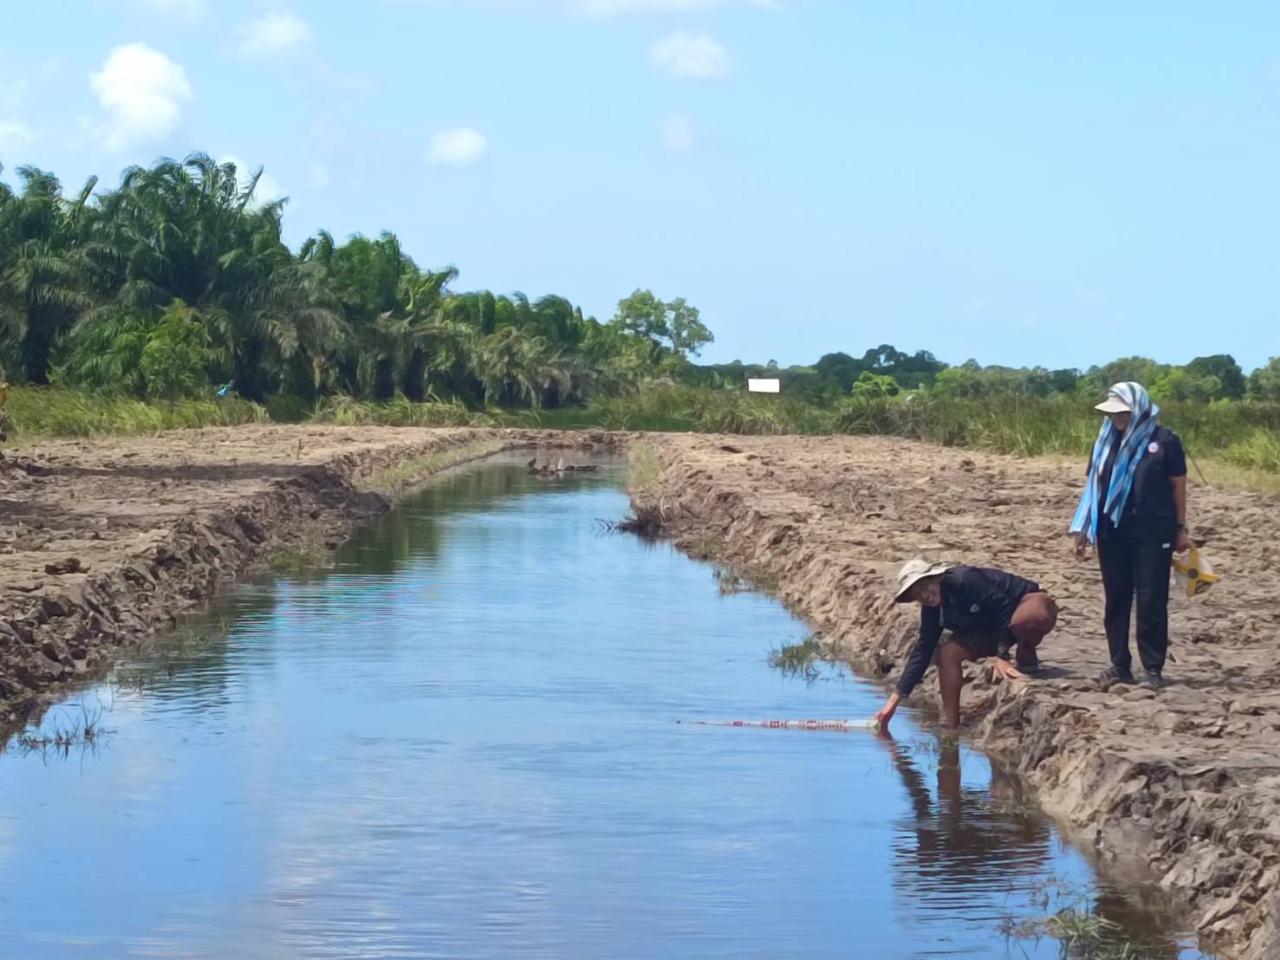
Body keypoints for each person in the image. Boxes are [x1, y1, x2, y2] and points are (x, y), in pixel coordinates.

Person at [1070, 382, 1190, 691]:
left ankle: (1152, 668)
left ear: (1138, 408)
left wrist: (1180, 529)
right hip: (1112, 531)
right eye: (1113, 413)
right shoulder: (1104, 442)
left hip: (1153, 533)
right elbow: (1093, 486)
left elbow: (1178, 487)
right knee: (1116, 599)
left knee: (1151, 600)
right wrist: (1083, 529)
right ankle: (1119, 665)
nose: (1117, 418)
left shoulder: (1164, 440)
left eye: (1123, 412)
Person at [873, 559, 1058, 732]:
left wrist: (1002, 656)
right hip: (991, 626)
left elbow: (1004, 605)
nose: (925, 595)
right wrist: (893, 702)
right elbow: (923, 649)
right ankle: (951, 725)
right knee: (947, 652)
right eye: (917, 593)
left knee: (1027, 620)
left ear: (937, 578)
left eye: (925, 586)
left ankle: (1025, 654)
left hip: (1022, 605)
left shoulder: (965, 580)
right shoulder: (931, 609)